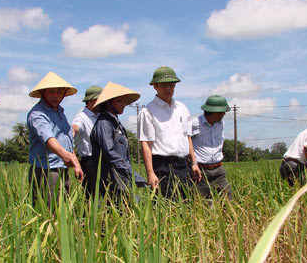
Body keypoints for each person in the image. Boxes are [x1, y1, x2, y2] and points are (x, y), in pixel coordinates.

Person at [138, 66, 201, 199]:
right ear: (155, 86)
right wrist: (150, 173)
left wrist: (194, 163)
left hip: (184, 166)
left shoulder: (182, 108)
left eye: (171, 85)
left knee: (187, 205)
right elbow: (146, 144)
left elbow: (187, 137)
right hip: (163, 167)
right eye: (164, 85)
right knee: (166, 207)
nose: (168, 89)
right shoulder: (148, 111)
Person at [27, 71, 84, 207]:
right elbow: (49, 139)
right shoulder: (38, 114)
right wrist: (66, 156)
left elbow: (67, 140)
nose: (56, 96)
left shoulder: (60, 112)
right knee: (49, 211)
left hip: (62, 167)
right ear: (43, 93)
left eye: (59, 92)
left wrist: (75, 161)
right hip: (47, 170)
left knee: (64, 208)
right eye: (51, 92)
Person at [90, 82, 147, 198]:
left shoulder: (116, 123)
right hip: (109, 180)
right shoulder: (104, 123)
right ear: (109, 103)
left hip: (120, 179)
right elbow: (110, 153)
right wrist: (133, 175)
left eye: (125, 101)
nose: (124, 104)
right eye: (120, 101)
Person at [191, 95, 232, 200]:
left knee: (227, 200)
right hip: (201, 172)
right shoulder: (195, 124)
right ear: (214, 112)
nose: (224, 114)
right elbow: (185, 141)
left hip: (218, 170)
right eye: (222, 112)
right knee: (201, 203)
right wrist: (192, 162)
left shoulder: (221, 124)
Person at [72, 85, 102, 197]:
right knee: (92, 196)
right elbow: (74, 128)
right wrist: (72, 131)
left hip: (102, 160)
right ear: (91, 101)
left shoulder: (100, 116)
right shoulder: (81, 117)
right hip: (90, 162)